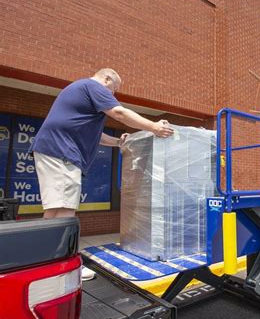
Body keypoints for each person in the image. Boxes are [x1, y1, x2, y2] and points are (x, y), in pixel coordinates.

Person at [30, 68, 174, 280]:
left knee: (54, 210)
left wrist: (117, 142)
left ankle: (43, 260)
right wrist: (154, 126)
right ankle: (64, 266)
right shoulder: (93, 86)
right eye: (113, 90)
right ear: (106, 79)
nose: (112, 96)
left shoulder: (79, 90)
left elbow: (96, 136)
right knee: (64, 210)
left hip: (52, 148)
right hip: (61, 151)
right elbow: (119, 113)